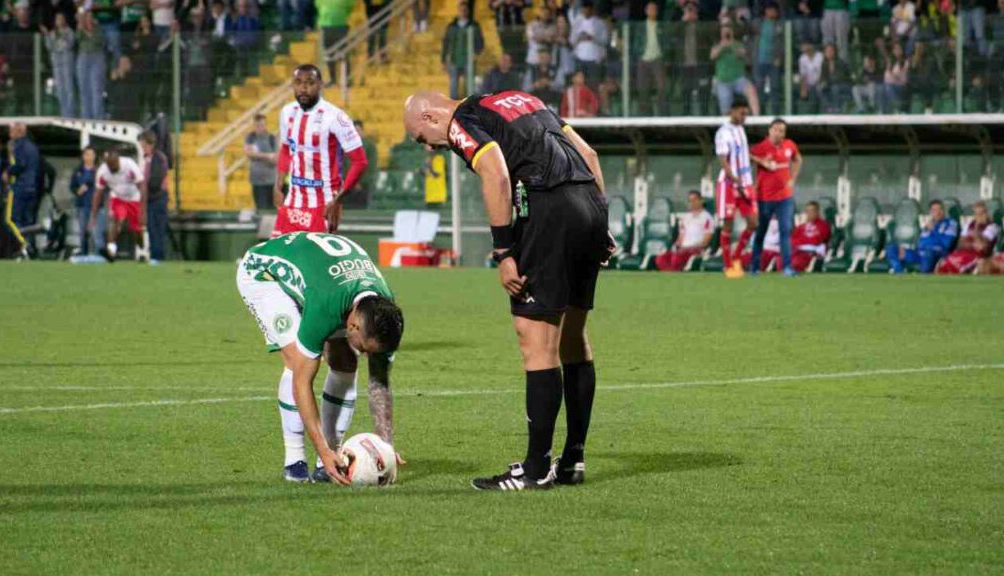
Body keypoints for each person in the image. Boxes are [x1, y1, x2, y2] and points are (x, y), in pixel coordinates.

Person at [404, 89, 612, 491]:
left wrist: (503, 252)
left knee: (535, 340)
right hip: (589, 202)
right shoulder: (521, 99)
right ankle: (573, 458)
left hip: (549, 209)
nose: (427, 147)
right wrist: (600, 223)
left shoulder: (462, 121)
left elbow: (496, 171)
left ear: (430, 116)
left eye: (420, 137)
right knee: (573, 338)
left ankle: (535, 469)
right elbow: (589, 155)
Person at [236, 232, 405, 484]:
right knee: (298, 364)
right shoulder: (326, 305)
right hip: (264, 275)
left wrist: (385, 444)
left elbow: (379, 381)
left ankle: (327, 463)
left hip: (321, 276)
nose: (368, 355)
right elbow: (302, 384)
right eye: (366, 348)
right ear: (353, 327)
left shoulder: (385, 315)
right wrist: (321, 449)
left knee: (346, 362)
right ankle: (295, 462)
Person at [272, 64, 368, 237]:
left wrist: (338, 200)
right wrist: (278, 186)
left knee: (316, 262)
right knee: (282, 259)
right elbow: (286, 149)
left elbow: (360, 161)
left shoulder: (336, 117)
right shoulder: (287, 112)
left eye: (309, 82)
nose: (303, 88)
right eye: (298, 82)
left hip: (324, 204)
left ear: (320, 85)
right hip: (293, 201)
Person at [750, 118, 801, 276]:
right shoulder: (761, 147)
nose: (780, 133)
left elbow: (797, 159)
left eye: (783, 130)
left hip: (785, 197)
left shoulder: (789, 145)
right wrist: (761, 161)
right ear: (770, 130)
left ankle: (786, 267)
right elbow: (746, 156)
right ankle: (755, 267)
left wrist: (792, 179)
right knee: (761, 231)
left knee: (785, 230)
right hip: (765, 197)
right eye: (777, 129)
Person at [714, 96, 756, 279]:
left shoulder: (741, 130)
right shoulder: (724, 132)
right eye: (742, 113)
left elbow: (743, 156)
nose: (744, 117)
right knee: (728, 224)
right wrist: (735, 179)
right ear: (732, 111)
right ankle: (728, 265)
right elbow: (723, 160)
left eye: (746, 114)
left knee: (753, 223)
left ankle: (737, 256)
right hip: (729, 184)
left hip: (745, 183)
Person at [89, 148, 148, 262]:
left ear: (118, 161)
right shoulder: (102, 172)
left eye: (113, 165)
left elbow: (142, 187)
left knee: (137, 230)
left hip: (134, 198)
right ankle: (111, 251)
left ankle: (142, 251)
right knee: (115, 220)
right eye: (109, 165)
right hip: (117, 198)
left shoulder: (130, 165)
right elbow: (97, 194)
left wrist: (143, 211)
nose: (111, 168)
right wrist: (93, 215)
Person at [885, 199, 958, 273]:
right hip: (919, 254)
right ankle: (900, 273)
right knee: (892, 249)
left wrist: (933, 230)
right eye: (933, 210)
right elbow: (920, 241)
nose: (935, 212)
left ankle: (924, 275)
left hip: (934, 254)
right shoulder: (928, 225)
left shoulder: (950, 224)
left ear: (942, 211)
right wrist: (906, 249)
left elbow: (946, 244)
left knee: (928, 254)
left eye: (938, 210)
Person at [654, 190, 714, 272]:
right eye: (690, 201)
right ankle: (672, 273)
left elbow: (705, 242)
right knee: (660, 258)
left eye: (694, 200)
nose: (692, 203)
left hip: (695, 249)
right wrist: (676, 246)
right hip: (682, 250)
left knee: (677, 258)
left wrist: (688, 248)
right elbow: (680, 238)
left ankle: (672, 272)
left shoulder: (707, 218)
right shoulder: (686, 218)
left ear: (701, 201)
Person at [7, 123, 41, 257]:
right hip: (32, 187)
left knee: (12, 219)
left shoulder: (18, 145)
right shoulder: (33, 147)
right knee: (29, 221)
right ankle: (31, 248)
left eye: (12, 130)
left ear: (20, 132)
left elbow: (20, 164)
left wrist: (8, 171)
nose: (10, 133)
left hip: (20, 186)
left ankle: (24, 244)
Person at [937, 201, 999, 274]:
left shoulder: (992, 227)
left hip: (977, 256)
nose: (979, 216)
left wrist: (976, 230)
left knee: (959, 267)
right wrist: (972, 244)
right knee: (942, 265)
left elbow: (982, 248)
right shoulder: (969, 225)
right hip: (962, 253)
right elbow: (960, 244)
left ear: (986, 213)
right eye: (976, 214)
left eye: (982, 213)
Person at [710, 24, 760, 115]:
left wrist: (732, 45)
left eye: (728, 31)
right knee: (725, 108)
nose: (726, 33)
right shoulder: (717, 45)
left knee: (751, 91)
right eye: (724, 32)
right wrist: (723, 45)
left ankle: (756, 117)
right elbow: (712, 56)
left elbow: (743, 55)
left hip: (738, 79)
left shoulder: (738, 44)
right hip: (723, 81)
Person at [441, 2, 484, 99]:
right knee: (453, 85)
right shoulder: (451, 26)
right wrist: (443, 60)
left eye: (465, 10)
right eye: (461, 10)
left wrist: (476, 53)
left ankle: (469, 105)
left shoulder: (474, 25)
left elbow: (480, 42)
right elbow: (446, 43)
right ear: (458, 11)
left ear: (468, 11)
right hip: (454, 59)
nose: (463, 12)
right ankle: (453, 106)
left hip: (469, 60)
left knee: (469, 85)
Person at [139, 131, 170, 264]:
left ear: (149, 144)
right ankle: (154, 255)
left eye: (143, 144)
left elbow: (156, 180)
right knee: (151, 227)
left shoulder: (159, 158)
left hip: (158, 197)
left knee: (158, 227)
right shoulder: (148, 158)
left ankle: (158, 255)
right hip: (151, 198)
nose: (142, 147)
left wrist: (146, 190)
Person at [632, 1, 666, 116]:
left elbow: (666, 42)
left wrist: (664, 54)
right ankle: (646, 114)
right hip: (643, 59)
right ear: (646, 11)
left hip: (657, 58)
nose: (652, 11)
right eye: (650, 9)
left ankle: (662, 112)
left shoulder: (661, 25)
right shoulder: (641, 26)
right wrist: (639, 54)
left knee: (661, 86)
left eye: (654, 9)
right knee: (642, 87)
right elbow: (636, 42)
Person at [69, 146, 102, 256]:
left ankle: (98, 255)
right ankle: (84, 253)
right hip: (82, 205)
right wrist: (77, 191)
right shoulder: (78, 171)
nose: (89, 157)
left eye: (92, 154)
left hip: (96, 207)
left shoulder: (98, 171)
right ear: (83, 156)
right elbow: (72, 186)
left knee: (96, 232)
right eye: (87, 154)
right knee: (83, 232)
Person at [43, 12, 76, 118]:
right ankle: (63, 112)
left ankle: (70, 113)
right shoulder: (52, 33)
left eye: (61, 18)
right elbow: (49, 46)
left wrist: (61, 37)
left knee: (68, 87)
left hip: (67, 62)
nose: (59, 21)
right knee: (60, 88)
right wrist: (47, 35)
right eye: (57, 19)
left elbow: (70, 44)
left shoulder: (69, 31)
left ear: (64, 20)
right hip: (57, 63)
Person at [75, 10, 106, 120]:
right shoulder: (80, 29)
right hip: (83, 57)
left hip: (96, 58)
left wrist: (84, 29)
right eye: (86, 16)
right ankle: (86, 118)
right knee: (84, 90)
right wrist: (80, 27)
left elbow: (98, 41)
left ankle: (98, 118)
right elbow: (77, 39)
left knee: (96, 89)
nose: (88, 18)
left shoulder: (98, 28)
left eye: (90, 16)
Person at [244, 113, 278, 212]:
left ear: (265, 125)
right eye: (257, 125)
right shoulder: (250, 137)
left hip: (271, 181)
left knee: (272, 211)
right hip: (257, 181)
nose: (259, 128)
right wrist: (267, 155)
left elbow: (275, 158)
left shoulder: (271, 138)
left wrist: (258, 154)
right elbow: (249, 153)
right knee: (261, 210)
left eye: (262, 125)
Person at [569, 2, 607, 88]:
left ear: (592, 10)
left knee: (593, 84)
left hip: (594, 59)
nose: (585, 11)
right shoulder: (577, 23)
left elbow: (605, 40)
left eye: (588, 9)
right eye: (584, 9)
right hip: (579, 58)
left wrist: (592, 38)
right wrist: (579, 38)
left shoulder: (600, 23)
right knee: (579, 84)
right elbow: (571, 41)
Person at [789, 201, 831, 272]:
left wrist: (800, 242)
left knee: (794, 264)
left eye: (812, 211)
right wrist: (799, 243)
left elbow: (816, 241)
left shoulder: (823, 226)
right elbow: (792, 240)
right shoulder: (801, 227)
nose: (809, 214)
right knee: (780, 260)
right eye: (807, 211)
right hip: (797, 252)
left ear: (817, 212)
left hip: (812, 254)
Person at [817, 43, 850, 112]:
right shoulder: (824, 64)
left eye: (831, 51)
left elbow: (839, 78)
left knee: (835, 88)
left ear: (835, 52)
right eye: (827, 51)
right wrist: (821, 82)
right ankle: (829, 107)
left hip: (843, 84)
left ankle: (836, 108)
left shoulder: (840, 62)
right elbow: (822, 76)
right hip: (831, 84)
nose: (829, 53)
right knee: (819, 88)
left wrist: (827, 82)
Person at [797, 40, 823, 113]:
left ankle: (814, 115)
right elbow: (803, 75)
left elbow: (823, 73)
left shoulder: (820, 56)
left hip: (820, 82)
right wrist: (803, 89)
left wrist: (818, 83)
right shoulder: (802, 58)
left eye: (806, 45)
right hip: (809, 85)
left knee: (815, 90)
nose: (804, 48)